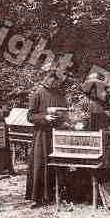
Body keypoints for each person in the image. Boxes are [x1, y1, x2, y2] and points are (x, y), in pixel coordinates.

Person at [25, 71, 68, 207]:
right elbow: (30, 116)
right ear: (47, 79)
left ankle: (57, 194)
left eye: (57, 81)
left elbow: (66, 112)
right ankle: (37, 197)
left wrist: (65, 119)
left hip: (58, 133)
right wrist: (44, 117)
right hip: (42, 134)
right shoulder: (37, 93)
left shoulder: (60, 94)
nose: (55, 83)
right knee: (40, 163)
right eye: (53, 80)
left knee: (58, 163)